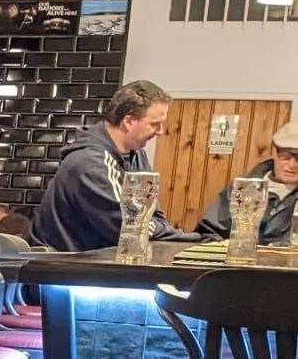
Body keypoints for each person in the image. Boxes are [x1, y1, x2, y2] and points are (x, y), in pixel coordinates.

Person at [31, 80, 175, 251]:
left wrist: (157, 228)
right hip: (62, 268)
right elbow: (128, 229)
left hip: (99, 265)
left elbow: (153, 215)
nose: (160, 131)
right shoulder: (89, 162)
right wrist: (172, 232)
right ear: (129, 121)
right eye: (154, 124)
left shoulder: (136, 155)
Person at [194, 120, 298, 241]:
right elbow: (209, 233)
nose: (292, 164)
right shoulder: (242, 188)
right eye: (285, 156)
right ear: (274, 152)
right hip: (239, 258)